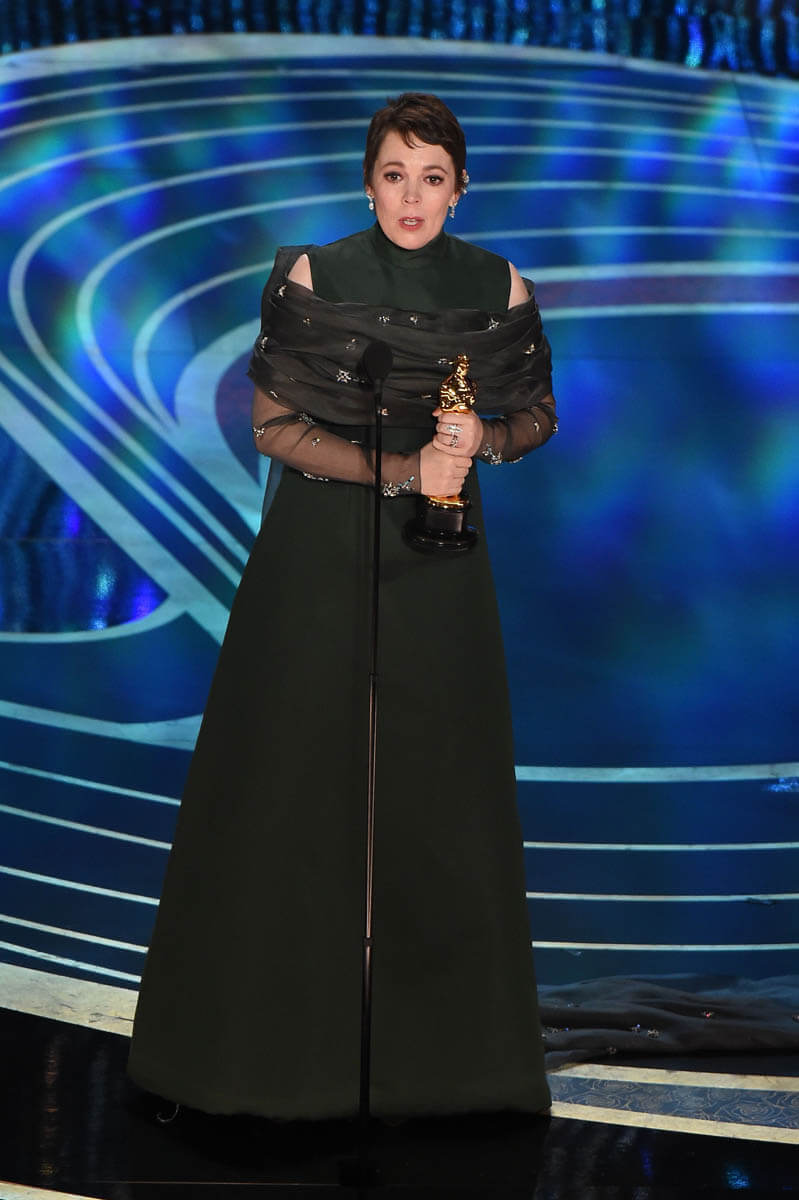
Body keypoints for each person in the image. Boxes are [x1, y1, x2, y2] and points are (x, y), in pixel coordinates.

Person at [128, 93, 557, 1122]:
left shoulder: (501, 286)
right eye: (394, 175)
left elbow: (536, 413)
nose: (411, 197)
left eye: (432, 178)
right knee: (295, 778)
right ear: (366, 183)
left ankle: (443, 1067)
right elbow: (275, 428)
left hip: (441, 560)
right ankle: (267, 1056)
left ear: (460, 189)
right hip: (318, 556)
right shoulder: (314, 277)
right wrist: (406, 467)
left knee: (437, 787)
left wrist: (481, 443)